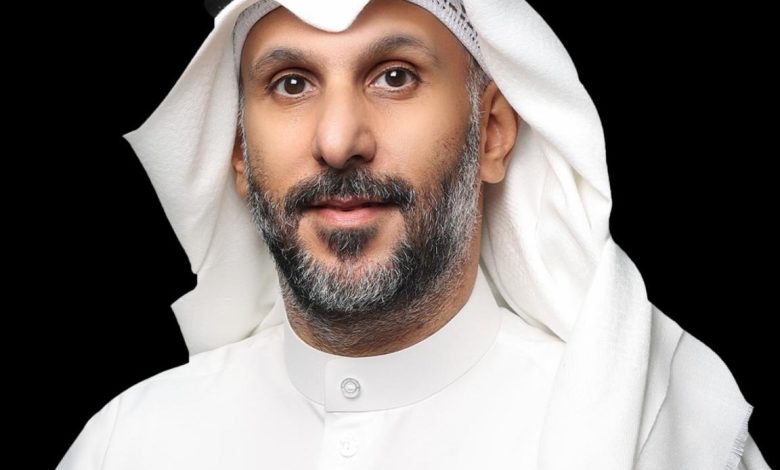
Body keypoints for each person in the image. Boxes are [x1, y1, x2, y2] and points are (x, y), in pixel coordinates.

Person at [57, 0, 771, 468]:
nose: (339, 141)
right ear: (240, 155)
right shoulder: (129, 446)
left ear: (493, 133)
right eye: (292, 83)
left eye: (394, 76)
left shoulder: (655, 440)